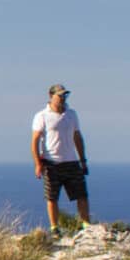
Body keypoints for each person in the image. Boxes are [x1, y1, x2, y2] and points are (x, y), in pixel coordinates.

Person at [30, 83, 89, 233]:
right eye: (60, 95)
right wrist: (38, 164)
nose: (63, 98)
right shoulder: (42, 116)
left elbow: (77, 136)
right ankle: (55, 228)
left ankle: (86, 225)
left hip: (71, 161)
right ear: (51, 96)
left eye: (65, 95)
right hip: (51, 163)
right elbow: (35, 141)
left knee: (81, 195)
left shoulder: (71, 114)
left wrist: (83, 160)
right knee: (52, 197)